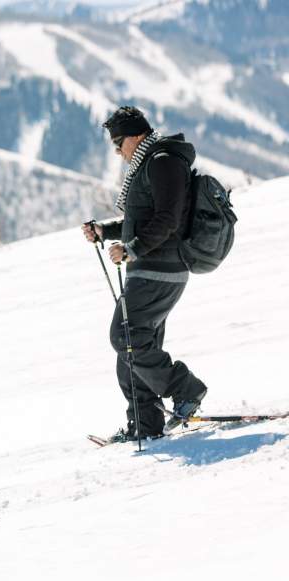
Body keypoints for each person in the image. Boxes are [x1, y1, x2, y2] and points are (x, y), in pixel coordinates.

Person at [81, 106, 207, 443]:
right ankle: (145, 424)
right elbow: (142, 220)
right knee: (131, 349)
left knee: (125, 337)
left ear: (136, 136)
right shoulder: (148, 164)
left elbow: (168, 218)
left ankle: (186, 388)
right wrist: (104, 231)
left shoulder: (162, 161)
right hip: (151, 268)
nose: (117, 151)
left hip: (161, 268)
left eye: (118, 142)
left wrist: (133, 248)